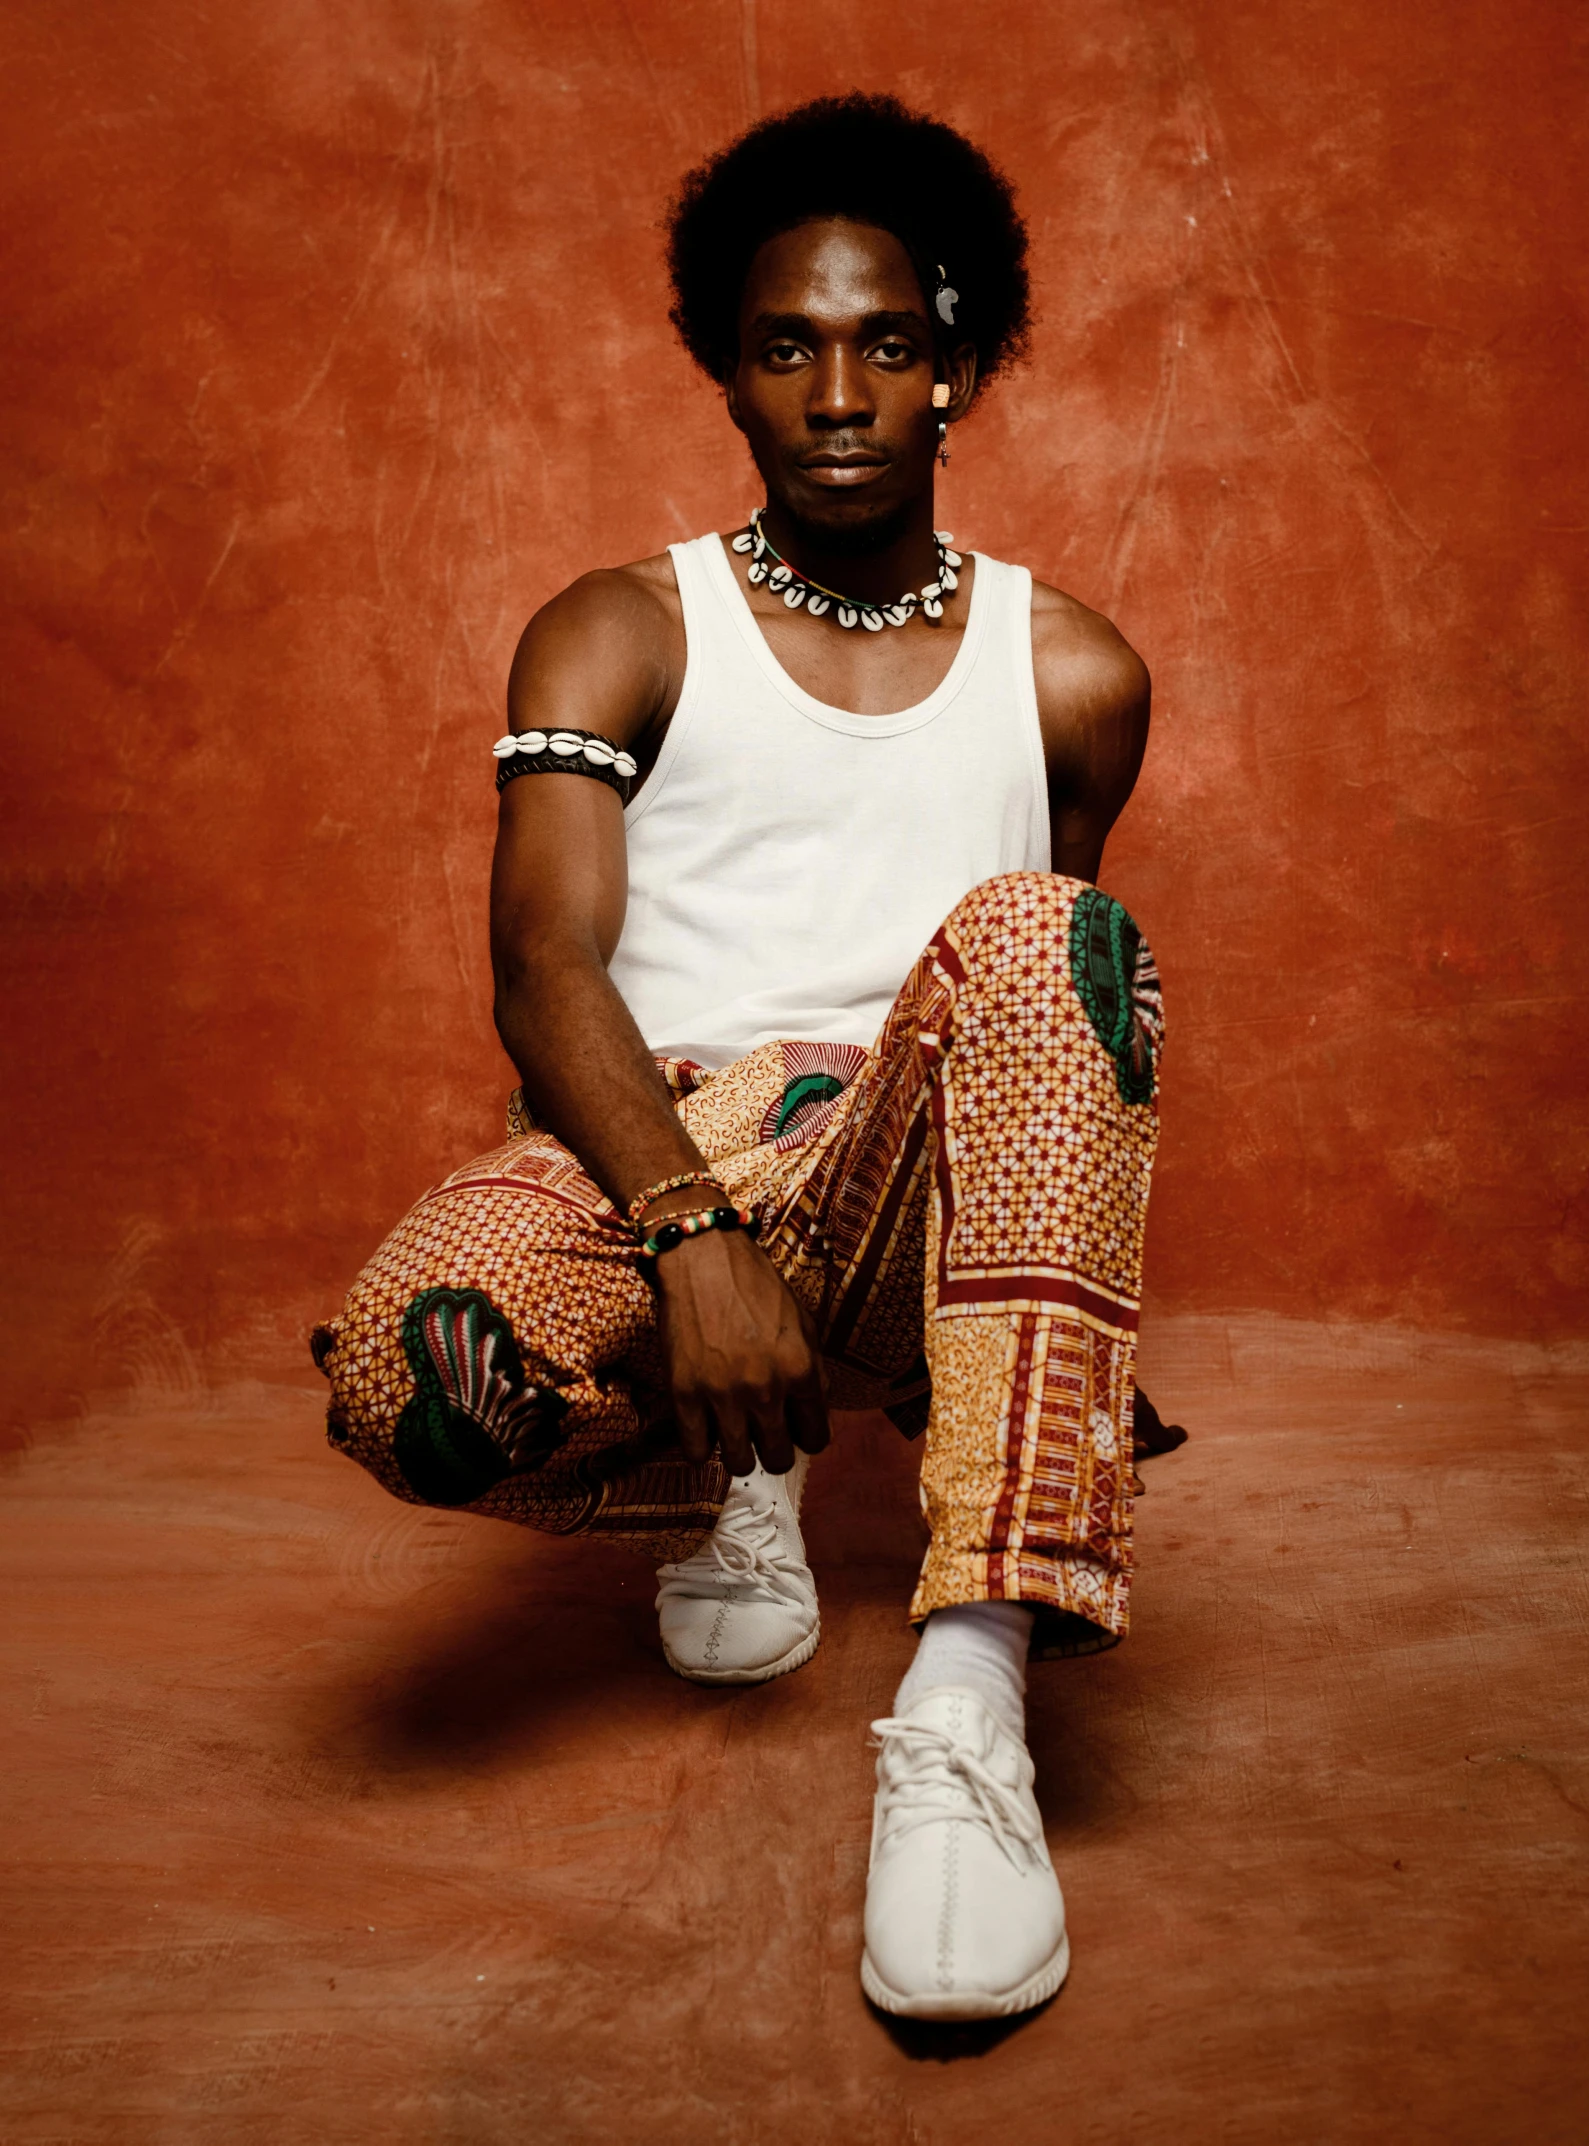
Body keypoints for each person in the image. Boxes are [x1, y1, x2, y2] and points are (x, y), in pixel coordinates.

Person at [313, 92, 1182, 2022]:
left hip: (897, 1169)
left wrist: (1040, 1313)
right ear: (729, 373)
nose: (843, 390)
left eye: (889, 343)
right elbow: (542, 972)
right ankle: (738, 1475)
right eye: (790, 345)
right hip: (663, 1156)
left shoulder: (1073, 672)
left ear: (957, 364)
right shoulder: (621, 629)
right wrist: (697, 1237)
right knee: (406, 1380)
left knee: (1051, 932)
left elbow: (1048, 1038)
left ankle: (973, 1684)